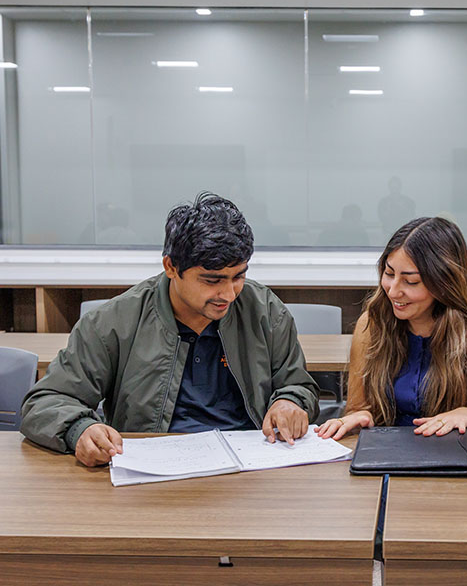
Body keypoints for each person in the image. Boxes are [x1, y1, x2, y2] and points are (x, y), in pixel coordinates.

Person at [21, 193, 319, 467]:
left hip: (250, 468)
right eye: (212, 280)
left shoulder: (265, 310)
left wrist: (289, 401)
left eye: (238, 276)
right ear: (171, 267)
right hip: (150, 471)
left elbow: (298, 385)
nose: (228, 294)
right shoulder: (113, 323)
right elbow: (45, 402)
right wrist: (80, 429)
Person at [316, 216, 467, 440]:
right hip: (388, 456)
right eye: (389, 273)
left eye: (411, 281)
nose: (393, 291)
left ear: (444, 282)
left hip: (459, 457)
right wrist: (359, 417)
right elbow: (357, 409)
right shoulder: (372, 323)